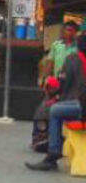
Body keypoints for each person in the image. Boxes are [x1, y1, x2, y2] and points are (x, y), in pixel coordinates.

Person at [26, 32, 86, 171]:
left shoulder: (73, 59)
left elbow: (62, 83)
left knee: (53, 110)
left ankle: (53, 153)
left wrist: (55, 96)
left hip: (81, 106)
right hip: (81, 103)